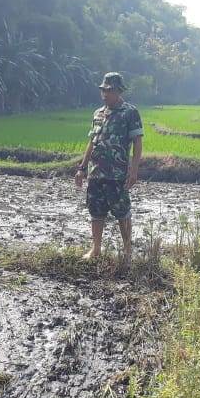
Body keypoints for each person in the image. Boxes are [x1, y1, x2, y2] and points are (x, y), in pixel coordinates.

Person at [74, 72, 144, 260]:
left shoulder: (130, 112)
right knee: (96, 211)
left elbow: (137, 142)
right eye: (103, 90)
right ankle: (96, 249)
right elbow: (92, 142)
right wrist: (82, 168)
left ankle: (128, 251)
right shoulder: (97, 113)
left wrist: (134, 170)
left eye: (109, 90)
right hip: (96, 173)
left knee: (122, 212)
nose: (105, 94)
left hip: (117, 174)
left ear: (119, 91)